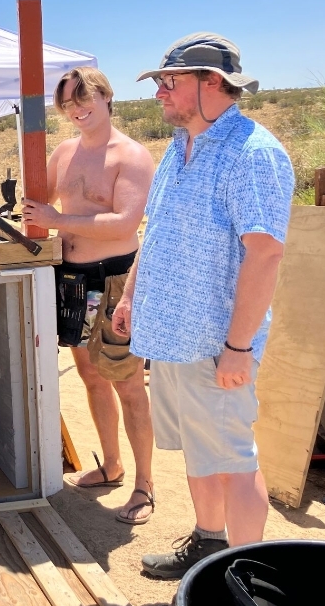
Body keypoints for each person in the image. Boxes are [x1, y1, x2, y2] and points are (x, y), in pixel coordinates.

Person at [114, 33, 295, 578]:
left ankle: (248, 582)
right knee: (199, 453)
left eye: (170, 83)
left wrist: (238, 348)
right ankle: (208, 545)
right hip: (170, 334)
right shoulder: (180, 145)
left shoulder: (254, 154)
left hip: (215, 345)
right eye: (161, 83)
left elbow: (264, 256)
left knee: (234, 461)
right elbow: (160, 230)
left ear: (212, 84)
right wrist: (130, 295)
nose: (160, 93)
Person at [22, 67, 157, 526]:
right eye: (67, 103)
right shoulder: (65, 152)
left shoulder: (132, 156)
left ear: (105, 96)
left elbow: (123, 223)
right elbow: (37, 201)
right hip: (73, 280)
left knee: (128, 382)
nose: (77, 109)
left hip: (117, 279)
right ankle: (113, 466)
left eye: (85, 98)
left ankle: (145, 485)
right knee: (90, 376)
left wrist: (55, 220)